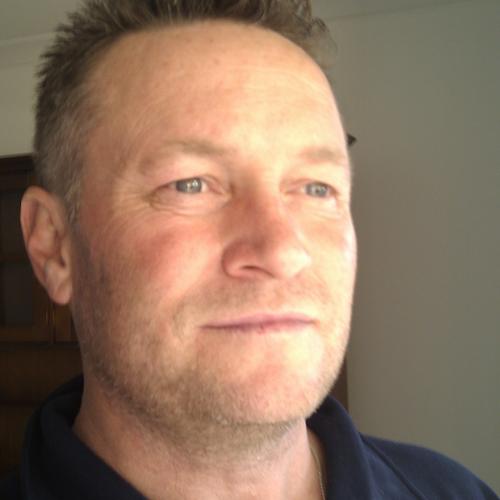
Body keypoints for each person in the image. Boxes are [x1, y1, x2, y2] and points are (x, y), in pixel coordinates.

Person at [0, 1, 497, 499]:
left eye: (317, 188)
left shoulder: (457, 491)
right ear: (54, 247)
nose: (282, 252)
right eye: (190, 184)